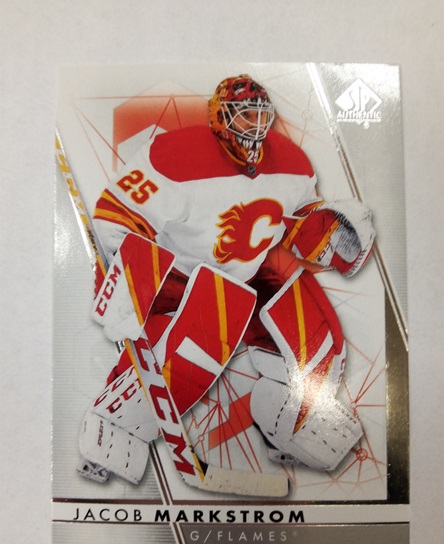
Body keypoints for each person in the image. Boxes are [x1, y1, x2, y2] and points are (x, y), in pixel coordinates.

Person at [91, 74, 375, 473]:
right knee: (197, 343)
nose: (254, 128)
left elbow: (298, 215)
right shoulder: (176, 155)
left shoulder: (292, 160)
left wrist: (329, 229)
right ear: (220, 118)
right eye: (244, 116)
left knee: (318, 334)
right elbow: (117, 216)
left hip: (249, 273)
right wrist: (126, 282)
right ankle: (116, 427)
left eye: (260, 116)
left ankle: (290, 421)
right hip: (179, 278)